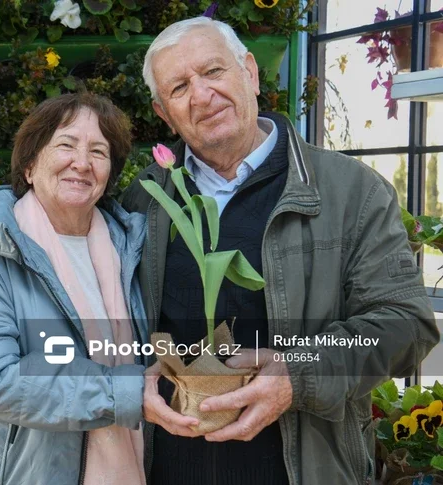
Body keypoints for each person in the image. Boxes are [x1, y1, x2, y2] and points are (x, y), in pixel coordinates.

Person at [121, 16, 440, 485]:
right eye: (179, 87)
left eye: (213, 72)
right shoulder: (147, 200)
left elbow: (405, 325)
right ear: (163, 112)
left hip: (302, 467)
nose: (202, 95)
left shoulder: (350, 192)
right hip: (166, 467)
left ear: (249, 72)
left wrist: (299, 375)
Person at [0, 92, 149, 485]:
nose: (82, 163)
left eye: (99, 151)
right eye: (66, 145)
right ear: (29, 166)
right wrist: (127, 393)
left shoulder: (131, 247)